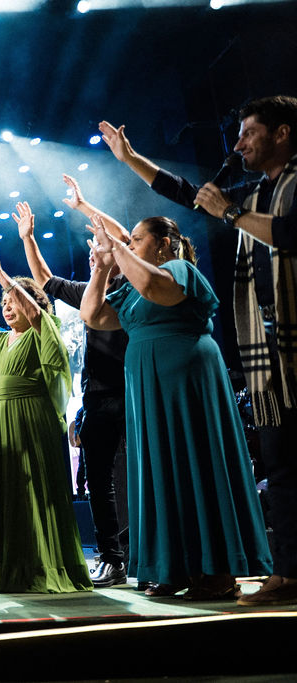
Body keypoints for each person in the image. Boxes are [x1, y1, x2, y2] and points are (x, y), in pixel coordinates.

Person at [98, 96, 297, 605]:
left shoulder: (286, 189)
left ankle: (242, 567)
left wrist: (230, 212)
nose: (238, 143)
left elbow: (289, 235)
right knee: (280, 461)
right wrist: (130, 159)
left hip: (272, 343)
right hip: (272, 343)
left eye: (249, 132)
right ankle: (288, 572)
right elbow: (189, 195)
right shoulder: (259, 191)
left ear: (282, 134)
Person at [81, 214, 272, 598]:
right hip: (148, 385)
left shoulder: (179, 270)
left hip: (186, 381)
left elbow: (154, 286)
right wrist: (101, 267)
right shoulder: (132, 286)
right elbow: (93, 315)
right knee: (160, 471)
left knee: (196, 462)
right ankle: (172, 568)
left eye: (137, 239)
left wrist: (114, 245)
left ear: (164, 243)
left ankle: (217, 571)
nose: (130, 245)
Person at [0, 239, 92, 593]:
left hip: (33, 419)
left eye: (13, 301)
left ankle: (48, 565)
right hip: (1, 422)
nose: (7, 307)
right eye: (4, 303)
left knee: (38, 488)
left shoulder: (45, 328)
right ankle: (10, 567)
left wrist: (1, 277)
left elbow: (37, 315)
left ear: (30, 303)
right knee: (7, 493)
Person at [15, 187, 132, 588]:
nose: (92, 254)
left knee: (143, 473)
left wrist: (85, 208)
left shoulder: (135, 288)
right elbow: (45, 281)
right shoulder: (88, 293)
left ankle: (150, 552)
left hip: (135, 392)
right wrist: (28, 239)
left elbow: (125, 238)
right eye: (91, 251)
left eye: (99, 249)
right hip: (98, 397)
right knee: (98, 480)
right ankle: (112, 558)